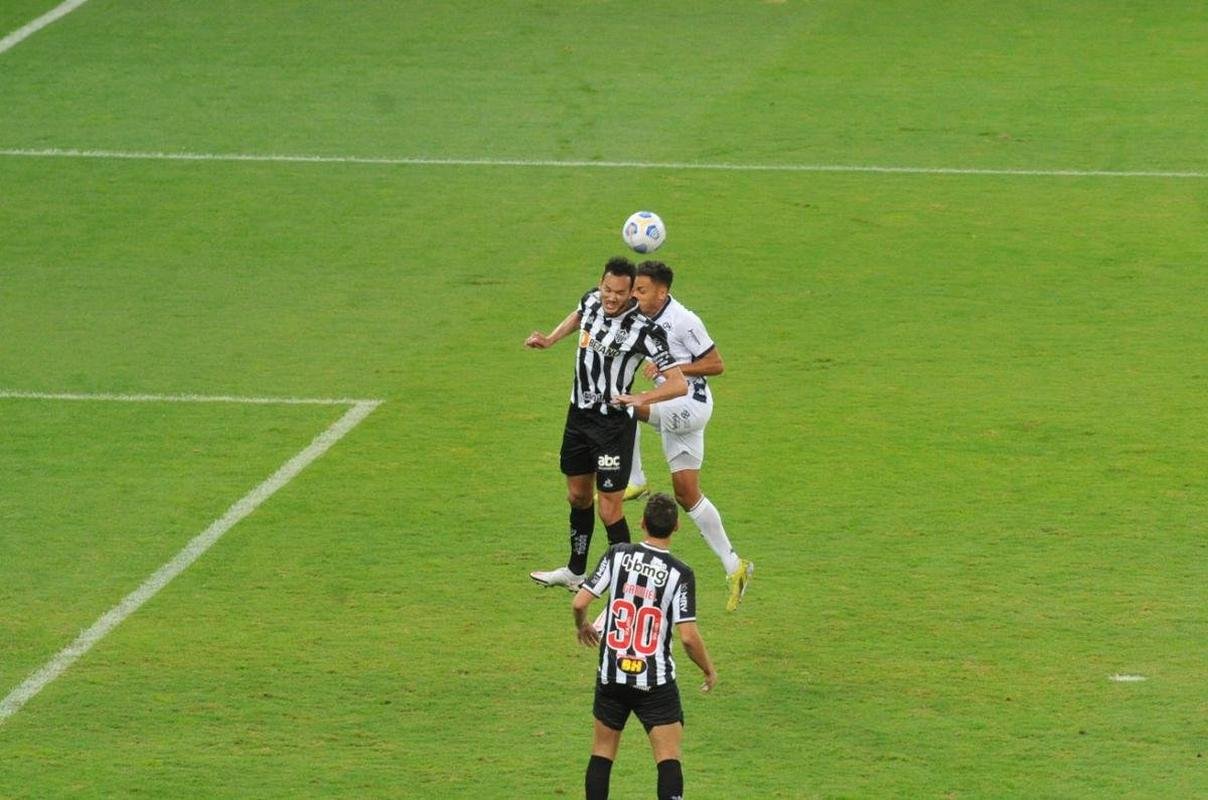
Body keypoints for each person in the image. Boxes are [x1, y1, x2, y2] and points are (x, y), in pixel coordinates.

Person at [525, 257, 691, 591]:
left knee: (610, 509)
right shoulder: (591, 300)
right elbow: (579, 316)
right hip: (578, 416)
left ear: (631, 293)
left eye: (619, 292)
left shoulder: (644, 330)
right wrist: (551, 339)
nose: (610, 297)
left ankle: (626, 587)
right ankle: (575, 572)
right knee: (577, 497)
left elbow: (678, 383)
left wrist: (642, 398)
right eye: (607, 289)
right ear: (600, 283)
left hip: (613, 426)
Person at [572, 493, 718, 800]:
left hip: (612, 675)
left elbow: (579, 602)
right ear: (677, 526)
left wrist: (582, 624)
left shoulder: (618, 555)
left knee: (602, 753)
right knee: (668, 759)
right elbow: (689, 637)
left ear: (641, 523)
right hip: (655, 682)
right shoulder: (680, 574)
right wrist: (708, 669)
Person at [627, 261, 754, 611]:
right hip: (676, 406)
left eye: (642, 290)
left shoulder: (685, 320)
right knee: (687, 494)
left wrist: (673, 368)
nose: (636, 296)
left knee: (625, 407)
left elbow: (716, 364)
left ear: (662, 292)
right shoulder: (642, 318)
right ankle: (735, 565)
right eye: (634, 290)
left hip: (689, 404)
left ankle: (636, 479)